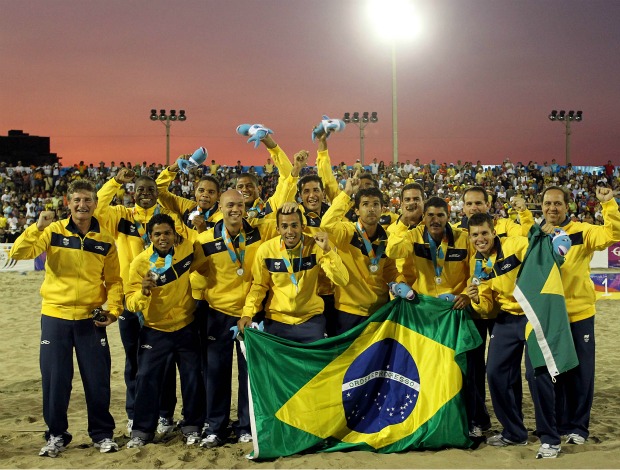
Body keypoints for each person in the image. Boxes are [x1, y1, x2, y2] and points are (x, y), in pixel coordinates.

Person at [9, 179, 123, 457]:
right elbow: (18, 252)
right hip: (55, 317)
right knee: (55, 380)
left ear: (95, 203)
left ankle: (102, 434)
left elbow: (115, 281)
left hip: (90, 320)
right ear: (68, 203)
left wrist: (114, 311)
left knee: (97, 380)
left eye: (87, 200)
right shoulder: (53, 231)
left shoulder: (106, 239)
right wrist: (37, 227)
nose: (82, 205)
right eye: (77, 200)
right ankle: (56, 435)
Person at [95, 169, 188, 434]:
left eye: (151, 190)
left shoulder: (166, 220)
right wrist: (115, 182)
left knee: (165, 360)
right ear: (132, 193)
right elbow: (99, 206)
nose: (145, 194)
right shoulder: (120, 216)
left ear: (157, 193)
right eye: (140, 190)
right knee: (134, 360)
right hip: (131, 299)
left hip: (163, 300)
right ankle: (134, 413)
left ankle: (165, 414)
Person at [465, 212, 562, 459]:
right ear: (470, 237)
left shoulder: (514, 244)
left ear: (494, 232)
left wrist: (548, 235)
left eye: (484, 233)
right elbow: (488, 306)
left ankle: (550, 438)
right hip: (506, 319)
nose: (480, 238)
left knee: (536, 373)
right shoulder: (476, 265)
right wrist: (477, 300)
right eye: (475, 234)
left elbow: (537, 248)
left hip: (532, 313)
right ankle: (514, 432)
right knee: (495, 372)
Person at [529, 185, 620, 445]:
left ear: (567, 206)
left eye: (557, 203)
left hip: (579, 314)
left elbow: (613, 233)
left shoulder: (583, 231)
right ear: (542, 206)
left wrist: (608, 204)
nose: (552, 208)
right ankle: (556, 423)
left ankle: (578, 428)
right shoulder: (537, 233)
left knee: (580, 374)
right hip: (548, 315)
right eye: (547, 203)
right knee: (552, 373)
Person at [191, 190, 279, 448]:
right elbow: (193, 270)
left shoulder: (259, 233)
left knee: (248, 374)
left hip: (250, 314)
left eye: (240, 205)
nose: (235, 210)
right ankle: (215, 427)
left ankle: (245, 426)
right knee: (216, 373)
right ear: (220, 206)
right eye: (230, 205)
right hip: (217, 313)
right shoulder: (204, 239)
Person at [453, 186, 532, 436]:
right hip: (475, 308)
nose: (474, 207)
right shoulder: (455, 234)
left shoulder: (507, 227)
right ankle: (479, 420)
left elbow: (529, 240)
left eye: (479, 203)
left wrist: (525, 213)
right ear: (463, 207)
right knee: (475, 370)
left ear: (488, 205)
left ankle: (514, 419)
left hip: (502, 311)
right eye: (469, 203)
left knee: (507, 371)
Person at [124, 213, 206, 448]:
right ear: (150, 237)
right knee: (147, 379)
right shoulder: (140, 263)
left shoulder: (187, 250)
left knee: (191, 378)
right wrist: (143, 292)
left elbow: (204, 267)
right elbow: (130, 303)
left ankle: (192, 426)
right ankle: (141, 431)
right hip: (154, 330)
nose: (163, 238)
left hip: (185, 326)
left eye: (167, 233)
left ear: (174, 234)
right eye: (157, 234)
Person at [238, 207, 349, 343]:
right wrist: (247, 314)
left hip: (311, 321)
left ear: (302, 227)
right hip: (277, 321)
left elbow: (342, 280)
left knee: (312, 365)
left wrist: (328, 250)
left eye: (294, 225)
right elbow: (259, 286)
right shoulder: (266, 251)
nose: (290, 231)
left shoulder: (316, 247)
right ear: (278, 229)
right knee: (278, 365)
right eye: (284, 226)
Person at [320, 180, 398, 334]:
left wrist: (400, 283)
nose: (371, 209)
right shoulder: (347, 233)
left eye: (376, 204)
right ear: (356, 210)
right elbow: (327, 224)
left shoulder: (387, 239)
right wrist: (347, 193)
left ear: (382, 209)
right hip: (349, 312)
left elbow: (390, 272)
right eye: (365, 204)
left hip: (379, 312)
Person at [156, 158, 223, 237]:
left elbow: (223, 247)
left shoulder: (223, 217)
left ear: (218, 195)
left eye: (211, 192)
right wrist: (174, 167)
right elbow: (158, 191)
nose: (205, 195)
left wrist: (203, 231)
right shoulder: (187, 206)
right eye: (201, 190)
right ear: (195, 191)